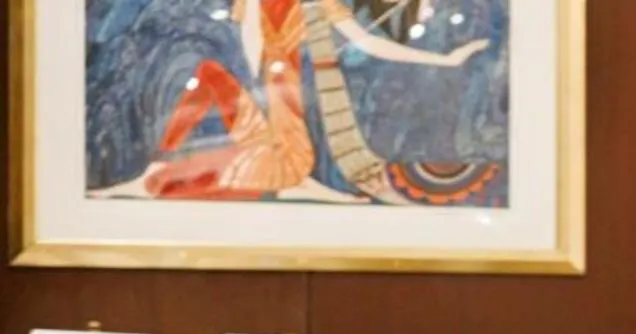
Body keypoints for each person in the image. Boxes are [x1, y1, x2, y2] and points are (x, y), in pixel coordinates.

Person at [95, 0, 491, 204]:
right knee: (209, 77)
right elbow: (250, 36)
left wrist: (444, 60)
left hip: (285, 102)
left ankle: (152, 177)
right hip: (266, 96)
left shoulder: (319, 4)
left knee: (282, 168)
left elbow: (368, 42)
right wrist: (254, 93)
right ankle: (152, 169)